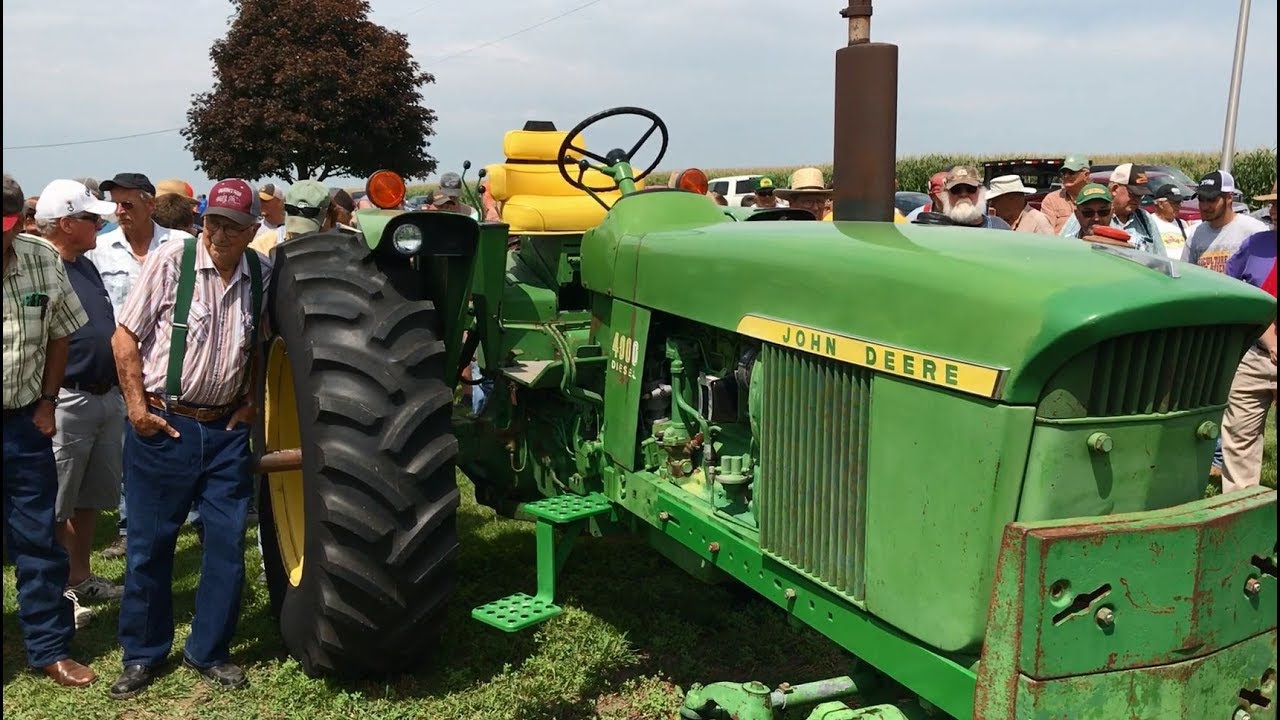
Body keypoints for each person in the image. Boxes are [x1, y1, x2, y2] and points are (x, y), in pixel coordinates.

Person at [108, 178, 271, 699]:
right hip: (166, 425)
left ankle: (209, 650)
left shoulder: (261, 274)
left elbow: (261, 346)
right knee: (150, 546)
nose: (219, 234)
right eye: (213, 222)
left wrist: (252, 401)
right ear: (202, 220)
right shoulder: (171, 262)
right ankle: (143, 653)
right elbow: (124, 338)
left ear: (253, 230)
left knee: (226, 545)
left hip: (226, 433)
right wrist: (137, 409)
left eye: (232, 226)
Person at [2, 173, 97, 688]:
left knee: (38, 538)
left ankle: (48, 647)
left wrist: (47, 402)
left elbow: (61, 334)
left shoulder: (41, 258)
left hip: (23, 423)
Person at [33, 181, 127, 623]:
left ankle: (79, 575)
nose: (100, 225)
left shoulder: (85, 265)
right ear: (67, 224)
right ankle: (54, 593)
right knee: (56, 501)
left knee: (88, 497)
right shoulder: (40, 267)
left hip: (104, 395)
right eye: (91, 218)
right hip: (65, 399)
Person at [87, 172, 190, 560]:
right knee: (128, 448)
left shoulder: (183, 245)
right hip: (122, 365)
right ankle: (130, 527)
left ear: (150, 204)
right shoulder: (100, 249)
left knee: (183, 440)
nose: (119, 211)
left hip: (174, 364)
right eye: (115, 204)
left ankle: (194, 517)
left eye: (127, 204)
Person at [1218, 182, 1277, 494]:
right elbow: (1233, 291)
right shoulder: (1255, 245)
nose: (1274, 211)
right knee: (1239, 432)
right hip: (1253, 354)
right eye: (1273, 204)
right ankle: (1240, 505)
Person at [1059, 163, 1163, 256]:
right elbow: (1063, 248)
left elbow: (1160, 256)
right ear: (1114, 189)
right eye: (1133, 194)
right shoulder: (1084, 215)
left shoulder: (1144, 218)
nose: (1137, 199)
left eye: (1140, 195)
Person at [1182, 170, 1268, 272]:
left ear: (1229, 198)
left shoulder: (1254, 231)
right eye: (1201, 199)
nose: (1204, 206)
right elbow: (1185, 273)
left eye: (1211, 199)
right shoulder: (1196, 234)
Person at [937, 166, 1010, 229]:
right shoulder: (938, 229)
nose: (963, 194)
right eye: (956, 189)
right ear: (946, 195)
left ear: (981, 192)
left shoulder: (999, 227)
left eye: (970, 189)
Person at [986, 175, 1054, 234]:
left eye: (995, 200)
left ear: (1011, 199)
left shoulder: (1039, 222)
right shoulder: (999, 222)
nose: (992, 205)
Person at [1040, 155, 1090, 233]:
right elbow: (1045, 233)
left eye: (1071, 172)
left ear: (1086, 175)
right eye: (1064, 173)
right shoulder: (1052, 200)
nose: (1066, 176)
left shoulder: (1097, 198)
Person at [1147, 184, 1197, 261]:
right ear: (1160, 204)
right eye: (1174, 203)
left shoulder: (1182, 224)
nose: (1178, 206)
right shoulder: (1149, 222)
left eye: (1179, 202)